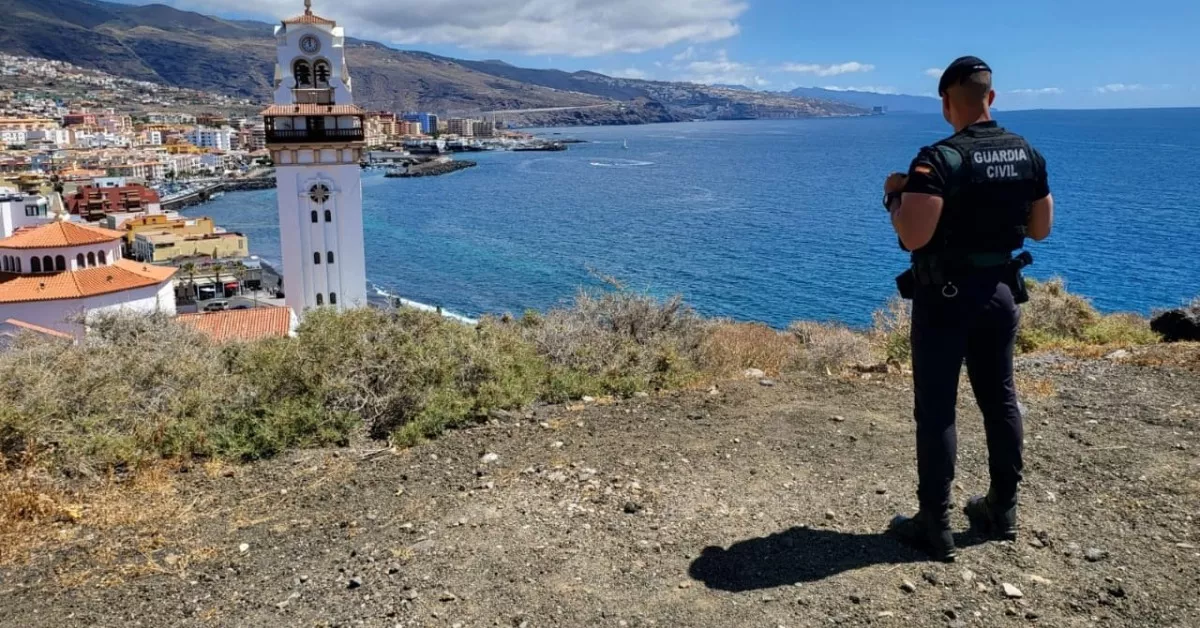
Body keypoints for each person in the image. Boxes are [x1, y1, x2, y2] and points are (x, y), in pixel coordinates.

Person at [882, 56, 1055, 561]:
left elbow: (914, 235)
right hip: (1000, 295)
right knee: (999, 398)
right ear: (991, 98)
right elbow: (1040, 229)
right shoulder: (1028, 154)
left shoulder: (935, 160)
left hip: (946, 299)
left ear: (945, 103)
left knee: (936, 409)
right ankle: (1003, 509)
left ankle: (934, 523)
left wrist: (895, 197)